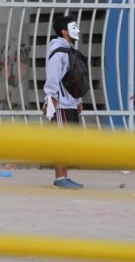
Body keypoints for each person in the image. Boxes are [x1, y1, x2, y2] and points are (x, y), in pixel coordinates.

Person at [43, 15, 84, 190]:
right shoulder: (58, 52)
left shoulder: (70, 51)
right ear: (64, 31)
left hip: (70, 103)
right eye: (73, 27)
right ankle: (60, 179)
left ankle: (65, 176)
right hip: (60, 104)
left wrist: (78, 100)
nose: (77, 30)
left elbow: (73, 78)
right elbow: (53, 76)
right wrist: (51, 97)